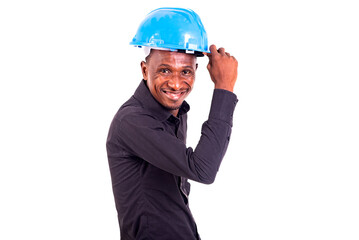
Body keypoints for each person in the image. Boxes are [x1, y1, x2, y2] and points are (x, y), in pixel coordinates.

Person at [106, 8, 238, 240]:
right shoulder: (133, 121)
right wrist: (224, 87)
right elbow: (203, 170)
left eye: (185, 71)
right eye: (165, 70)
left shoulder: (175, 112)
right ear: (145, 70)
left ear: (196, 71)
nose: (176, 84)